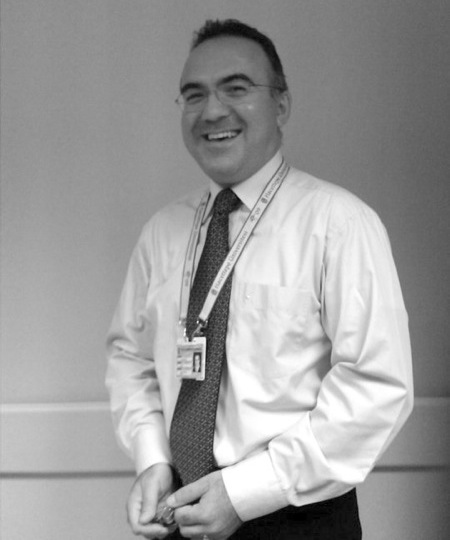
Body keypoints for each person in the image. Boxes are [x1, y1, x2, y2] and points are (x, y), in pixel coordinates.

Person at [106, 19, 413, 540]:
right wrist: (152, 458)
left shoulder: (339, 223)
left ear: (282, 105)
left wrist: (246, 491)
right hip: (177, 509)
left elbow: (376, 387)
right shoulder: (162, 232)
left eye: (236, 88)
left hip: (295, 514)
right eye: (194, 94)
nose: (212, 111)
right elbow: (129, 358)